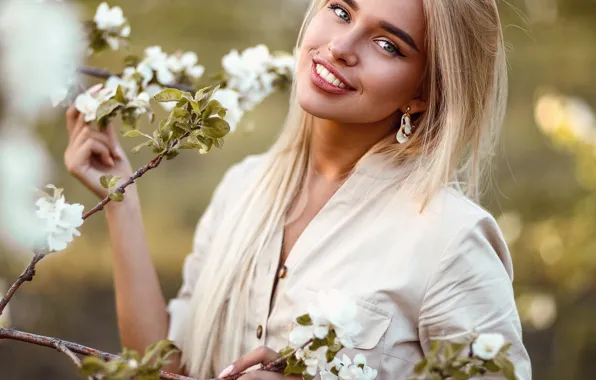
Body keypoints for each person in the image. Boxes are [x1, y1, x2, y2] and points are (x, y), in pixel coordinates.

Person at [64, 0, 533, 378]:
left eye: (388, 45)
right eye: (342, 11)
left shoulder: (450, 239)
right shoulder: (241, 188)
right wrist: (118, 197)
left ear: (423, 92)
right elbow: (164, 366)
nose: (342, 46)